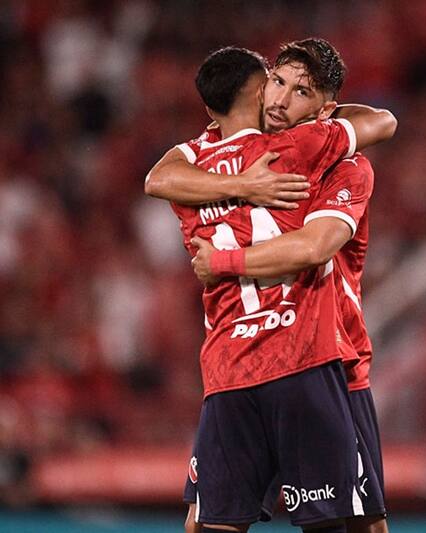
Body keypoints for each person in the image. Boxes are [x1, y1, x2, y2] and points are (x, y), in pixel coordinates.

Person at [145, 44, 395, 533]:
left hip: (334, 363)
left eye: (299, 91)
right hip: (300, 356)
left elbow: (315, 245)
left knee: (355, 521)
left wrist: (219, 259)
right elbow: (384, 121)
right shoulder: (306, 150)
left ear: (323, 107)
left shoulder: (197, 166)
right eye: (276, 83)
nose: (280, 99)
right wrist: (248, 184)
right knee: (341, 521)